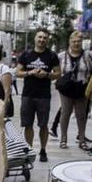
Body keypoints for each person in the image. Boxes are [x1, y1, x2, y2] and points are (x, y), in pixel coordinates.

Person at [16, 28, 60, 162]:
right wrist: (30, 73)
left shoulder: (52, 55)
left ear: (47, 40)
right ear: (35, 38)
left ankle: (43, 150)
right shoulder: (26, 55)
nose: (42, 40)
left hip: (44, 95)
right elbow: (18, 72)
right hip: (27, 94)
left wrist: (46, 74)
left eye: (44, 38)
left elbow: (58, 73)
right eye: (40, 37)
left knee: (43, 125)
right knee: (27, 124)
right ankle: (29, 150)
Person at [56, 31, 92, 150]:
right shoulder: (61, 56)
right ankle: (63, 139)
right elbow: (56, 70)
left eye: (78, 41)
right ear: (69, 42)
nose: (76, 44)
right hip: (66, 89)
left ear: (81, 42)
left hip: (82, 88)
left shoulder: (88, 55)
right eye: (74, 41)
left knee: (81, 115)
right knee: (65, 113)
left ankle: (82, 140)